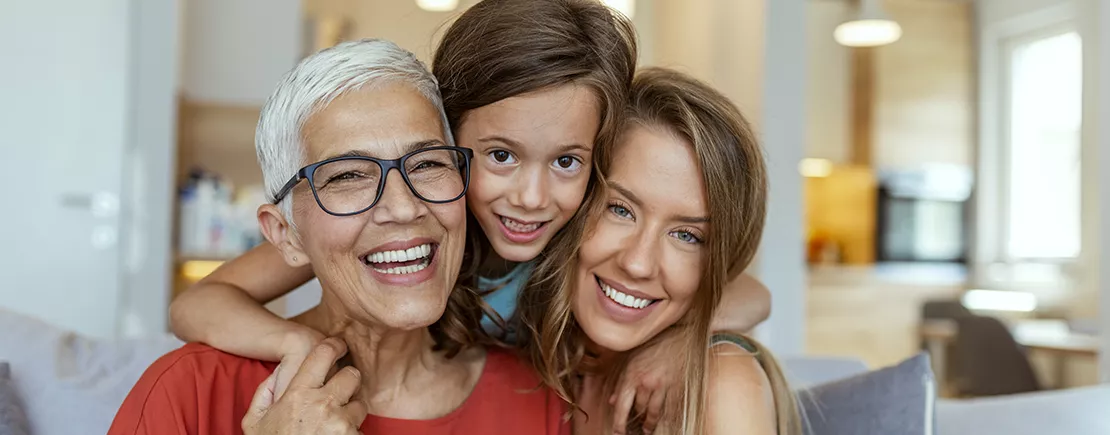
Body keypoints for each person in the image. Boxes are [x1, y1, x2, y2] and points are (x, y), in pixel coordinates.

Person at [168, 0, 774, 425]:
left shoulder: (582, 243)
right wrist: (305, 347)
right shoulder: (406, 227)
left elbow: (748, 295)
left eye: (567, 162)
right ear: (443, 145)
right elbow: (197, 303)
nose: (532, 198)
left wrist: (676, 341)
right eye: (501, 155)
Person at [109, 39, 566, 435]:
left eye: (427, 164)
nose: (405, 207)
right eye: (348, 176)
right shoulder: (188, 390)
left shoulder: (541, 400)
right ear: (285, 234)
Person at [517, 67, 802, 435]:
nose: (638, 263)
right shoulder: (539, 352)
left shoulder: (723, 385)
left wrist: (695, 335)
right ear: (575, 201)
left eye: (686, 235)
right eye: (620, 210)